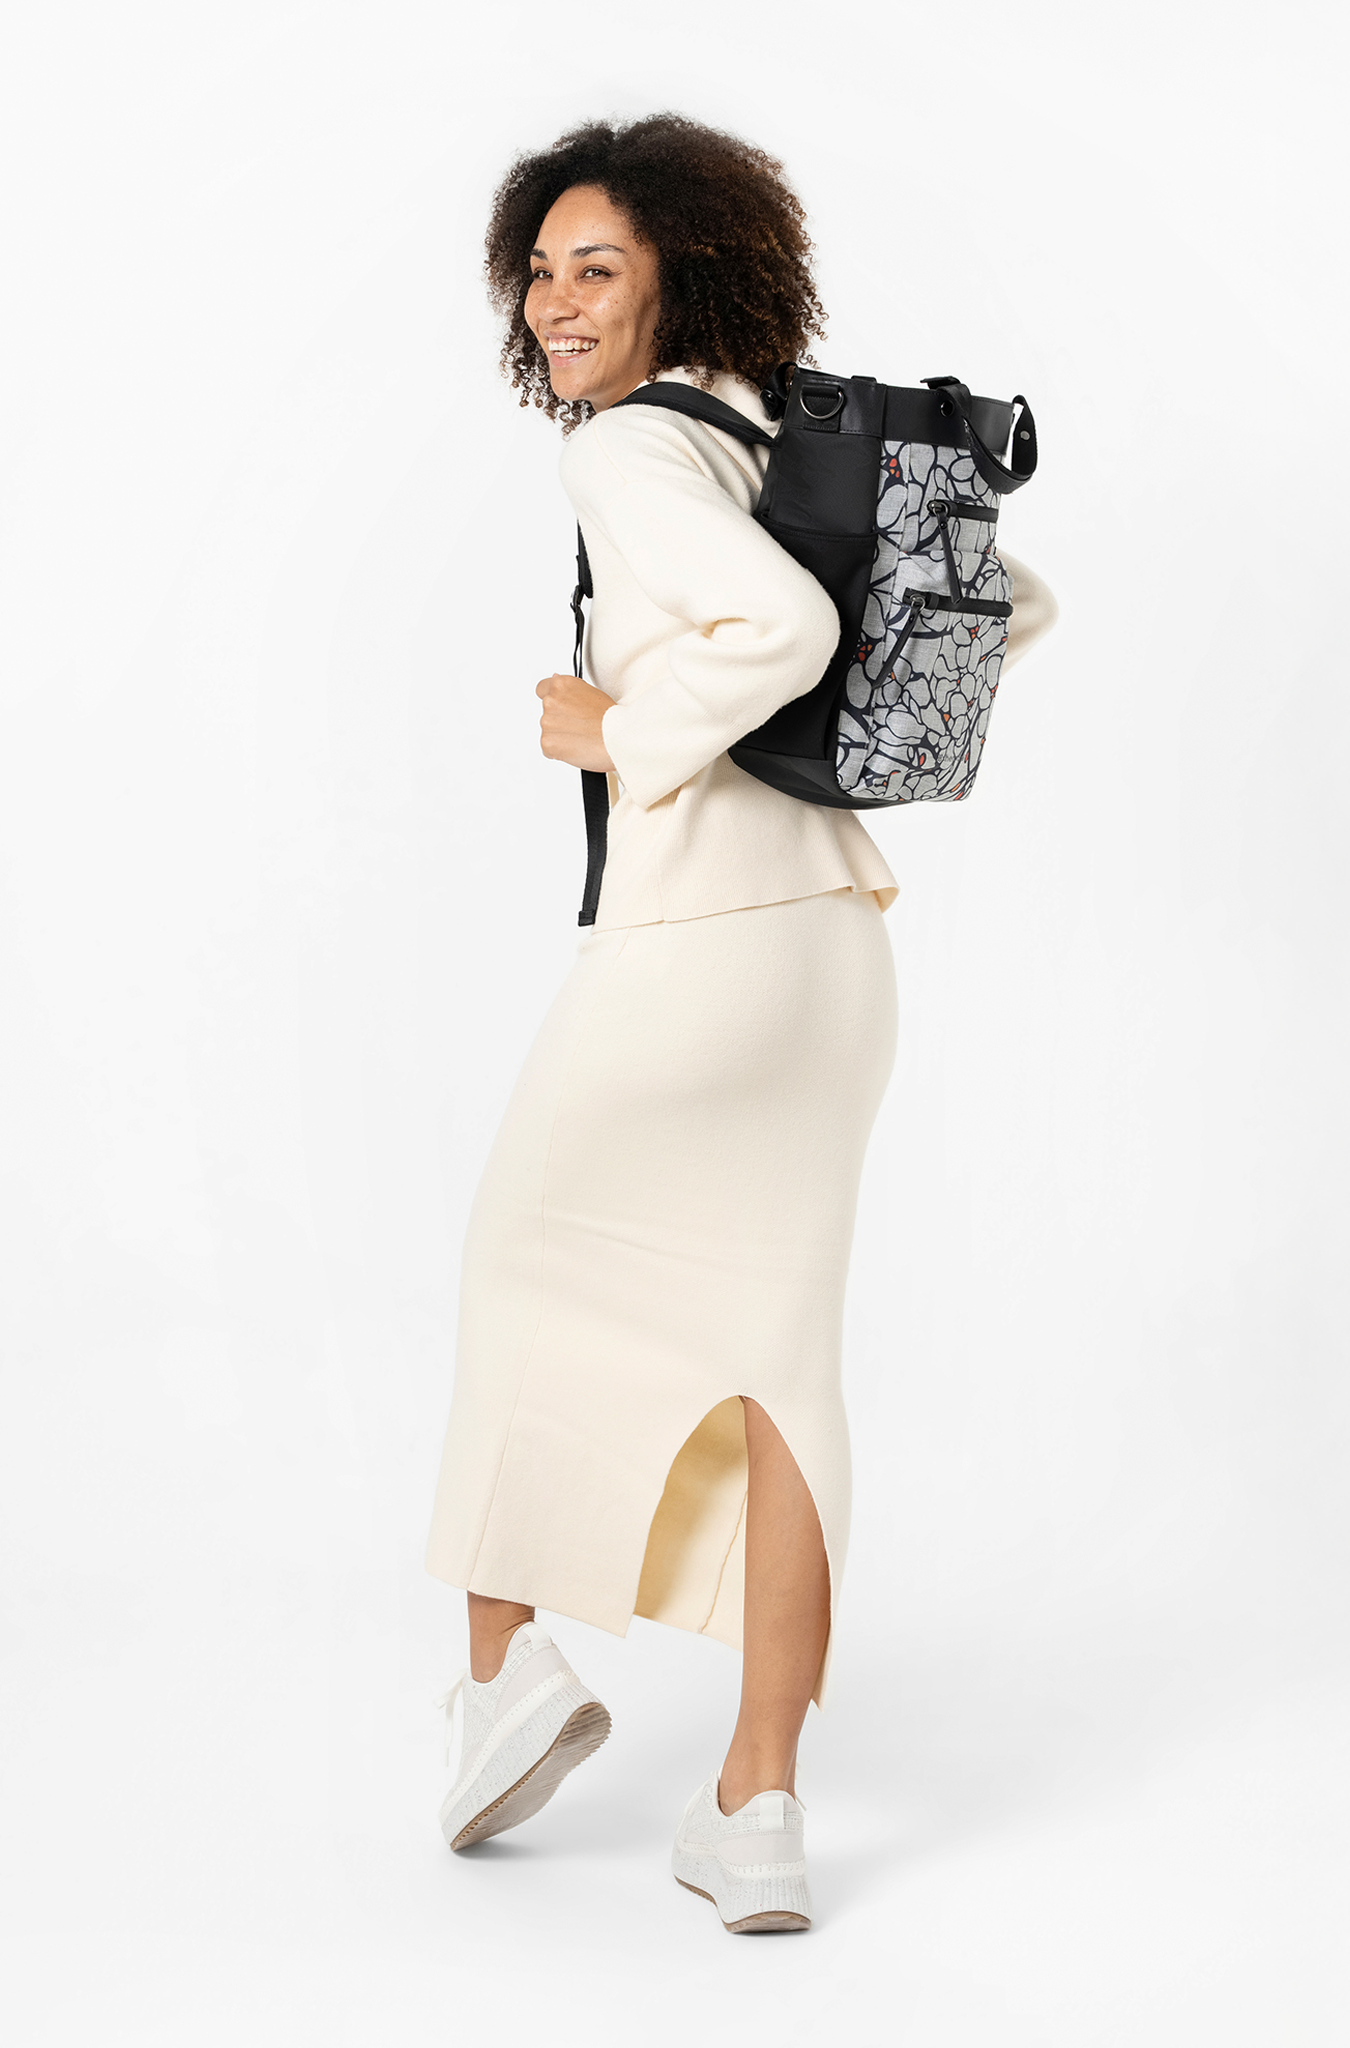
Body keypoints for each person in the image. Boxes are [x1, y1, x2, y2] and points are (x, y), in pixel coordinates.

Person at [426, 114, 1057, 1934]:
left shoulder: (632, 446)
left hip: (693, 944)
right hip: (835, 962)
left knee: (518, 1269)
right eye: (538, 271)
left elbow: (772, 627)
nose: (554, 303)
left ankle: (503, 1679)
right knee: (782, 1363)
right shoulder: (791, 433)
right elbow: (1004, 599)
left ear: (677, 278)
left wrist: (622, 730)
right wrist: (795, 708)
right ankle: (755, 1808)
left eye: (594, 268)